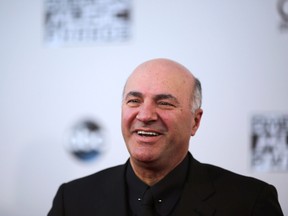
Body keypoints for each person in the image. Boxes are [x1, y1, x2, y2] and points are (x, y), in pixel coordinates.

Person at [48, 58, 283, 216]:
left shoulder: (250, 203)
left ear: (195, 121)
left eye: (165, 103)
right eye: (134, 101)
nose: (146, 115)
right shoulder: (72, 201)